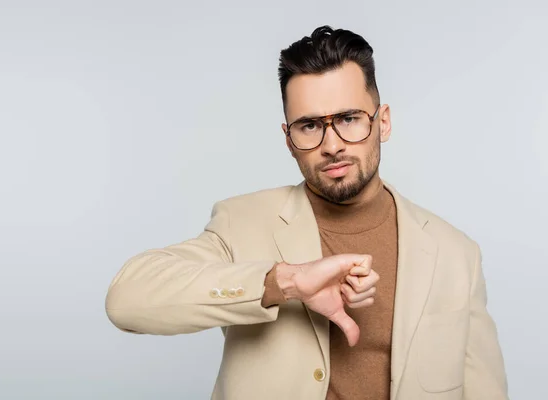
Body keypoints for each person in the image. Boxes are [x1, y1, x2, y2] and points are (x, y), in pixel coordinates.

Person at [105, 25, 508, 400]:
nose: (331, 144)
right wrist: (286, 282)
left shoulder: (457, 254)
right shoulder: (242, 221)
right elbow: (126, 299)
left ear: (382, 122)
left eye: (350, 119)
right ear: (288, 137)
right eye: (310, 125)